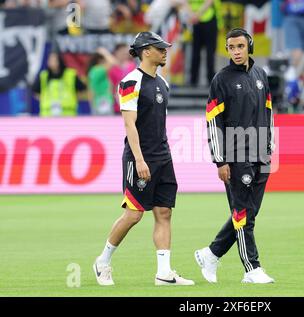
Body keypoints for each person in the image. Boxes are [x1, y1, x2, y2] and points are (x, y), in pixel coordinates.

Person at [93, 32, 194, 286]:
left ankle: (164, 273)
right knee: (134, 214)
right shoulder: (130, 82)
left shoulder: (163, 83)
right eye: (160, 48)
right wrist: (139, 160)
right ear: (146, 51)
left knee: (164, 212)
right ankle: (103, 261)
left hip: (163, 157)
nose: (165, 52)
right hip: (140, 158)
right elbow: (130, 125)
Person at [195, 28, 275, 284]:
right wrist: (220, 160)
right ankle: (252, 268)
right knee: (242, 213)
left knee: (249, 214)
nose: (236, 52)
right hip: (236, 155)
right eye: (231, 47)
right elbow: (212, 121)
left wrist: (270, 145)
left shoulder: (261, 75)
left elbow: (269, 111)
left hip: (261, 154)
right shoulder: (221, 79)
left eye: (240, 46)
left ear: (249, 46)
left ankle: (211, 253)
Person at [32, 52, 86, 117]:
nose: (52, 63)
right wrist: (43, 99)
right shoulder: (44, 76)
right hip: (47, 115)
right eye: (50, 60)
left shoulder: (70, 75)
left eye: (55, 60)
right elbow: (35, 91)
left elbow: (82, 89)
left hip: (68, 115)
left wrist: (74, 99)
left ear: (60, 60)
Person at [185, 0, 222, 86]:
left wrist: (195, 15)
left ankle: (210, 79)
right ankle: (193, 80)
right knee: (195, 52)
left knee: (210, 52)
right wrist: (192, 15)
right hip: (195, 20)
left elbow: (210, 1)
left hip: (208, 19)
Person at [87, 48, 116, 116]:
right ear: (100, 60)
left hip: (97, 102)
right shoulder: (98, 70)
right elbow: (113, 62)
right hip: (103, 102)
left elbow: (90, 89)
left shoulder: (93, 71)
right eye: (105, 60)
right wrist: (104, 52)